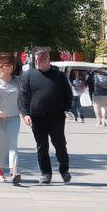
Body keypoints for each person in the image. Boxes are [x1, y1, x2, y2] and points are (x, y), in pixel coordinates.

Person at [18, 46, 74, 186]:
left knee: (60, 144)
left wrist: (66, 109)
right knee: (42, 146)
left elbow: (68, 94)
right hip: (37, 117)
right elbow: (23, 96)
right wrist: (25, 114)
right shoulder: (29, 75)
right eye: (38, 59)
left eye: (43, 59)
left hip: (56, 117)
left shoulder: (59, 76)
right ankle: (46, 173)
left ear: (48, 59)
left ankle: (64, 169)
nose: (40, 61)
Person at [0, 52, 24, 186]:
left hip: (14, 118)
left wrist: (25, 114)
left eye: (11, 65)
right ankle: (0, 172)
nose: (10, 67)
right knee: (0, 147)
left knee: (13, 145)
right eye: (7, 65)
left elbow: (22, 100)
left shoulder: (18, 81)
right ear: (1, 66)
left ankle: (14, 172)